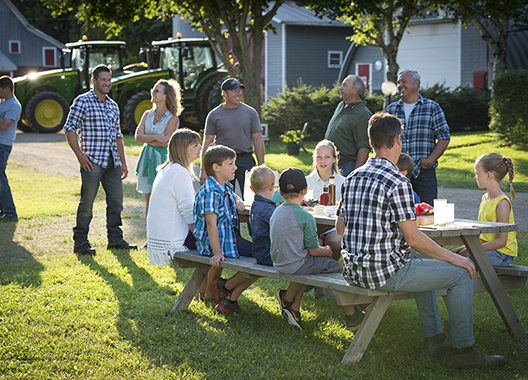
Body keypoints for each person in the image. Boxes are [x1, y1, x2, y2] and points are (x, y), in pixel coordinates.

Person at [336, 111, 506, 368]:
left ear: (371, 143)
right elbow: (414, 238)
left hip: (353, 270)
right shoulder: (397, 182)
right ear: (398, 141)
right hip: (383, 273)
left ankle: (435, 339)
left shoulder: (350, 179)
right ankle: (463, 349)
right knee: (460, 274)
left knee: (422, 259)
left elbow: (340, 228)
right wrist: (455, 259)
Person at [64, 64, 137, 256]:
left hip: (112, 162)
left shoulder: (113, 105)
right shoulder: (83, 101)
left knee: (116, 203)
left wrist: (123, 161)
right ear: (94, 81)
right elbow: (70, 128)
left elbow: (118, 135)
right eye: (103, 80)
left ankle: (115, 240)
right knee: (87, 203)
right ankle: (80, 242)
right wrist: (79, 154)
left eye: (109, 80)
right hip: (92, 161)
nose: (107, 83)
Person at [271, 168, 343, 330]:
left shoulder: (276, 211)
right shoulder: (306, 216)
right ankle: (352, 311)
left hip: (279, 262)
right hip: (296, 265)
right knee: (341, 267)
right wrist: (328, 251)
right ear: (305, 191)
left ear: (280, 192)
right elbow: (314, 251)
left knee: (306, 264)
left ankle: (293, 308)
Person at [194, 145, 256, 313]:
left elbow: (231, 193)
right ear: (216, 167)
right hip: (219, 244)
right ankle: (225, 288)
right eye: (230, 163)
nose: (235, 167)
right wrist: (216, 253)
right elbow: (211, 224)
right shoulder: (211, 192)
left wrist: (238, 199)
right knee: (264, 257)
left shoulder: (223, 185)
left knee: (263, 254)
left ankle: (220, 291)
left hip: (228, 240)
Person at [386, 69, 451, 205]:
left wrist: (429, 161)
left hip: (424, 171)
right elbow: (385, 139)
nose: (400, 86)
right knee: (397, 209)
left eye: (404, 82)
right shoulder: (391, 109)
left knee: (428, 211)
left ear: (416, 83)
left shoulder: (432, 107)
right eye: (398, 83)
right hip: (398, 171)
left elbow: (444, 137)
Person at [135, 79, 182, 249]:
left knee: (163, 200)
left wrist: (150, 138)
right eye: (153, 90)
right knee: (149, 199)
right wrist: (155, 137)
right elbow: (137, 137)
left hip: (163, 160)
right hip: (146, 159)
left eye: (157, 91)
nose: (152, 93)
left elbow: (166, 142)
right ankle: (151, 239)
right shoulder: (147, 114)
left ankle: (167, 238)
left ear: (165, 96)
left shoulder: (173, 117)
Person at [200, 78, 265, 197]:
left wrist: (261, 165)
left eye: (239, 90)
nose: (238, 94)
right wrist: (203, 171)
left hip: (246, 159)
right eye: (234, 91)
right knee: (223, 197)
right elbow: (207, 143)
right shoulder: (214, 115)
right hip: (223, 161)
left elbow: (258, 140)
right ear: (224, 94)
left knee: (252, 196)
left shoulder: (250, 113)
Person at [146, 128, 201, 266]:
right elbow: (188, 212)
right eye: (195, 145)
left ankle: (213, 284)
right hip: (174, 239)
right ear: (183, 149)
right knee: (223, 240)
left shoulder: (167, 168)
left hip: (160, 236)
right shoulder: (179, 172)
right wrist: (202, 239)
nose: (200, 148)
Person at [454, 153, 518, 266]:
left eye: (477, 174)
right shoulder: (485, 198)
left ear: (488, 175)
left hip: (502, 254)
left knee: (462, 262)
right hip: (489, 250)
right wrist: (467, 247)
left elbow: (501, 241)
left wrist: (471, 250)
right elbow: (484, 236)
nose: (475, 177)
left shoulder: (502, 203)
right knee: (455, 256)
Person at [306, 140, 345, 300]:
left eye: (327, 157)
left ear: (334, 159)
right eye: (319, 157)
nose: (323, 161)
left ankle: (327, 278)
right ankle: (320, 287)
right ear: (314, 158)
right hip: (311, 227)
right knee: (317, 246)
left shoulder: (342, 182)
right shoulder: (306, 181)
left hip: (332, 226)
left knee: (335, 243)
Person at [324, 75, 372, 176]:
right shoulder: (341, 105)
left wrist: (355, 176)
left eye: (344, 85)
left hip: (347, 167)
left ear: (355, 90)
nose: (340, 88)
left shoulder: (363, 115)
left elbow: (364, 148)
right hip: (331, 164)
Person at [0, 76, 21, 222]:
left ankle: (10, 212)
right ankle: (3, 210)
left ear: (6, 89)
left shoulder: (14, 105)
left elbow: (3, 126)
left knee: (1, 178)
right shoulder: (4, 103)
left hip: (3, 145)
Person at [248, 164, 277, 266]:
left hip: (259, 254)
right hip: (270, 256)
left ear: (251, 188)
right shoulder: (269, 210)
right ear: (272, 187)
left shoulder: (254, 206)